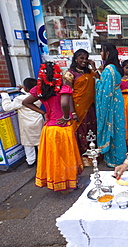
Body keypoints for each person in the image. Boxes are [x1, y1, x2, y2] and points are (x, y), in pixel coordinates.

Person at [22, 62, 83, 193]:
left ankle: (57, 183)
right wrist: (66, 116)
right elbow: (65, 102)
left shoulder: (41, 90)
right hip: (62, 127)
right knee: (66, 156)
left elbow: (26, 102)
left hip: (49, 129)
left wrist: (43, 113)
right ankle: (69, 183)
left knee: (54, 158)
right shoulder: (63, 88)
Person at [95, 43, 127, 167]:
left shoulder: (109, 69)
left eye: (102, 51)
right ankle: (120, 156)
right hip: (117, 99)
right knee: (118, 128)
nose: (101, 54)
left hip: (111, 102)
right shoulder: (115, 68)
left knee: (113, 127)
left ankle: (114, 160)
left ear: (107, 53)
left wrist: (96, 80)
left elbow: (103, 88)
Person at [63, 49, 97, 166]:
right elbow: (68, 94)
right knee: (80, 132)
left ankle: (92, 156)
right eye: (81, 58)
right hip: (77, 107)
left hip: (90, 106)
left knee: (91, 130)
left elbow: (100, 79)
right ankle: (80, 159)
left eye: (86, 58)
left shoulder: (89, 72)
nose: (84, 61)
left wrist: (93, 66)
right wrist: (72, 112)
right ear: (75, 59)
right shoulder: (70, 74)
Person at [0, 78, 44, 167]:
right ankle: (43, 159)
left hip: (26, 124)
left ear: (26, 88)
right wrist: (22, 89)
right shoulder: (39, 96)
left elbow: (7, 107)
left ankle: (31, 161)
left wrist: (4, 95)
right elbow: (29, 93)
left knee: (28, 143)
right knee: (40, 141)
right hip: (38, 121)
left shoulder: (20, 99)